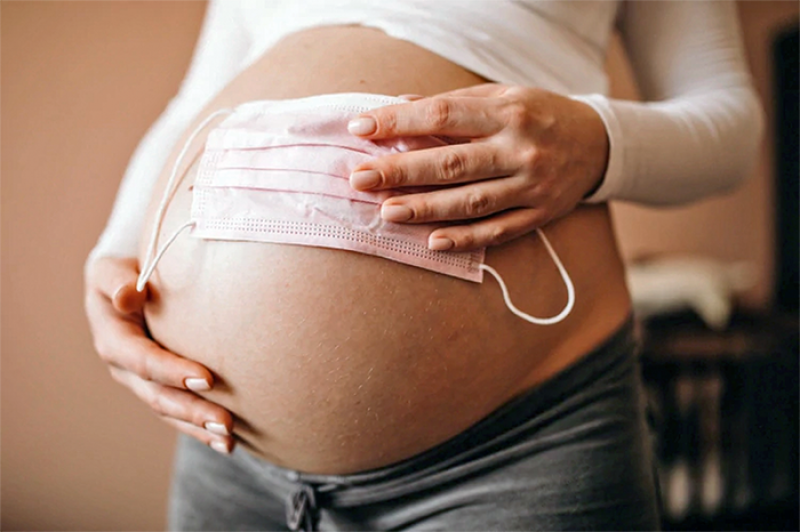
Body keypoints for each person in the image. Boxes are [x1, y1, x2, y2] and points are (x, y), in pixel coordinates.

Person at [84, 1, 763, 531]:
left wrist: (598, 143)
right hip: (226, 455)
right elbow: (196, 102)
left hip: (514, 452)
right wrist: (112, 254)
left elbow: (730, 124)